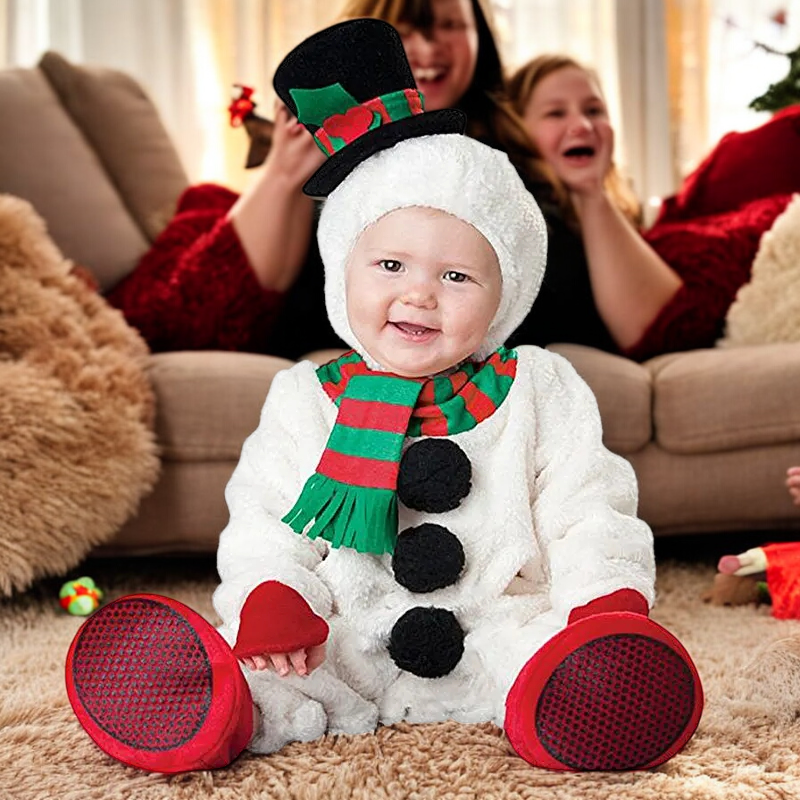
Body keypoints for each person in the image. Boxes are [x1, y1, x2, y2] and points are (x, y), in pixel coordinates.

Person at [65, 19, 703, 775]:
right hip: (350, 628)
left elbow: (587, 506)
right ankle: (215, 708)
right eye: (391, 265)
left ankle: (585, 695)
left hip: (499, 624)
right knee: (281, 668)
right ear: (343, 270)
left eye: (457, 277)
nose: (419, 296)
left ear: (505, 295)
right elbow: (267, 515)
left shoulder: (539, 387)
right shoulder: (308, 398)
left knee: (553, 649)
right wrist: (273, 592)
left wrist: (604, 598)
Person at [104, 0, 573, 360]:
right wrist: (287, 171)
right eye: (408, 28)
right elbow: (192, 323)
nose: (430, 48)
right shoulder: (316, 184)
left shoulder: (521, 162)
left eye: (450, 25)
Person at [508, 54, 796, 360]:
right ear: (518, 131)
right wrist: (590, 192)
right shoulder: (530, 221)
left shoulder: (613, 211)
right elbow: (654, 328)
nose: (582, 125)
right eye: (555, 113)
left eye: (594, 110)